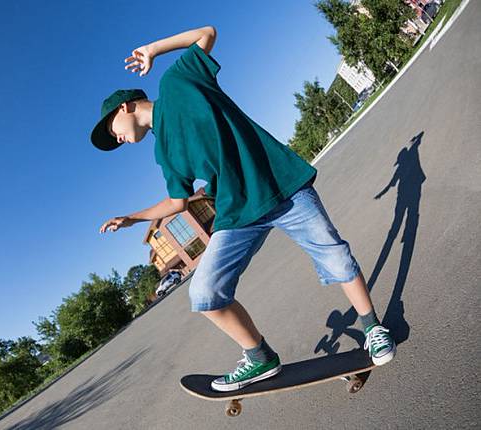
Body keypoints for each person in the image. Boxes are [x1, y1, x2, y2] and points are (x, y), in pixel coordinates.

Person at [91, 25, 396, 392]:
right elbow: (177, 202)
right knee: (204, 294)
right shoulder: (163, 152)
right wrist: (132, 218)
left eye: (112, 130)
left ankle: (372, 328)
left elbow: (206, 33)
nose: (116, 139)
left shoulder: (177, 82)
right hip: (236, 213)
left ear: (125, 106)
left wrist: (154, 48)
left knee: (335, 255)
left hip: (279, 184)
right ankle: (260, 357)